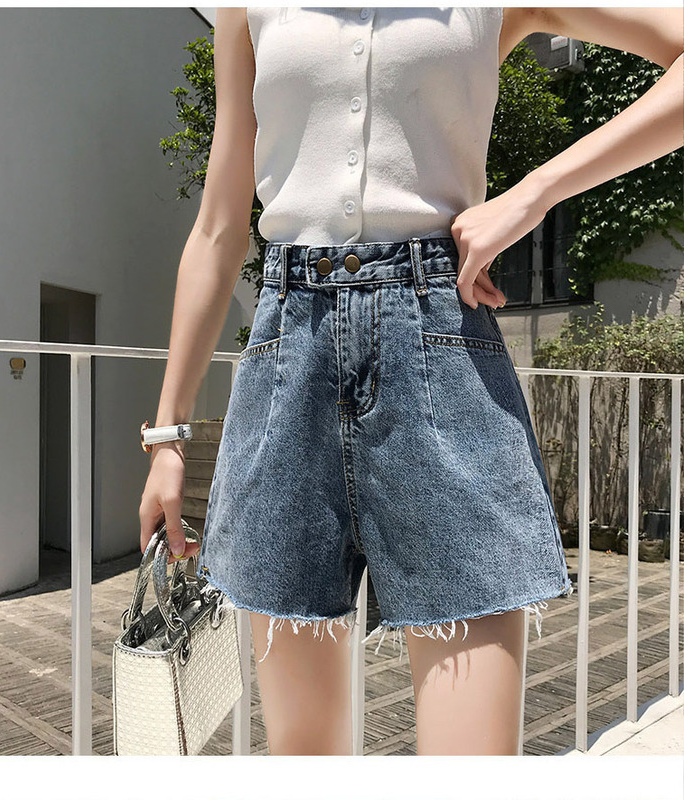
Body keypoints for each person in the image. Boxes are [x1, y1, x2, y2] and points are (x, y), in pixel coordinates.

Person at [139, 7, 684, 756]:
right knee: (304, 753)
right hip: (288, 363)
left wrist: (533, 194)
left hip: (442, 358)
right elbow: (218, 226)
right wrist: (168, 436)